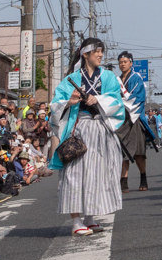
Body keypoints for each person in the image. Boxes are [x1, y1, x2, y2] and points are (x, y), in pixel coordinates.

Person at [48, 39, 128, 236]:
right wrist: (70, 101)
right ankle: (76, 221)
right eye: (96, 51)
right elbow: (55, 105)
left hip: (101, 128)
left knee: (97, 173)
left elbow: (116, 100)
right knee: (75, 174)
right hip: (79, 129)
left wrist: (98, 98)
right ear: (85, 54)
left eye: (102, 51)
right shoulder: (71, 79)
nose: (100, 55)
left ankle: (90, 217)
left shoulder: (108, 76)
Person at [116, 51, 150, 193]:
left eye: (125, 62)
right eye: (120, 62)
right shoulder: (117, 80)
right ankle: (123, 181)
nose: (122, 64)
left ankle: (143, 176)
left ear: (131, 63)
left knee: (138, 152)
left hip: (134, 117)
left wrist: (123, 101)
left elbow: (138, 97)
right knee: (122, 151)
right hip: (120, 119)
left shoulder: (136, 78)